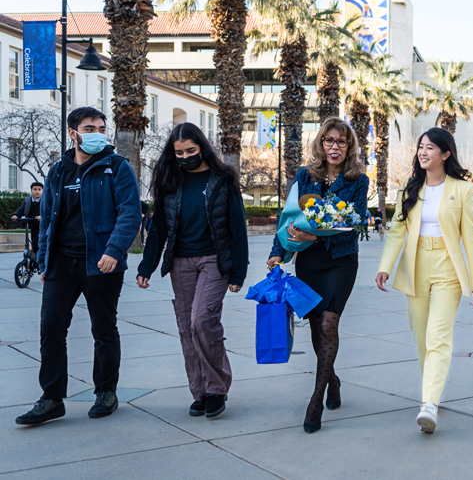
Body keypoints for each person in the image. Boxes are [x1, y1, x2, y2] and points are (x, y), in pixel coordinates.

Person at [16, 107, 141, 426]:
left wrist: (114, 249)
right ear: (73, 133)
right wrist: (43, 260)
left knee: (103, 328)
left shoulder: (117, 167)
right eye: (90, 128)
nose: (98, 133)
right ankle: (52, 398)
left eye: (101, 127)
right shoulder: (58, 171)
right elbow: (47, 221)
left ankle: (106, 392)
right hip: (61, 264)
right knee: (51, 328)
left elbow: (130, 213)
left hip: (101, 263)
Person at [376, 127, 473, 434]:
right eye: (420, 147)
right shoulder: (409, 188)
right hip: (415, 266)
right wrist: (386, 265)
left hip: (448, 269)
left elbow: (470, 239)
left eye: (430, 148)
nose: (423, 152)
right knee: (422, 338)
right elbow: (398, 231)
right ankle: (431, 394)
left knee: (438, 337)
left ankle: (429, 404)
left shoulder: (462, 189)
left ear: (445, 153)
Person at [136, 123, 248, 420]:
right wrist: (147, 266)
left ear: (202, 148)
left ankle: (216, 387)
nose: (185, 157)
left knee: (202, 321)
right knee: (186, 328)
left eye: (190, 151)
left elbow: (237, 227)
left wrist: (238, 272)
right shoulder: (169, 180)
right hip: (180, 262)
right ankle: (198, 391)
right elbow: (158, 227)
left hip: (214, 260)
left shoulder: (223, 179)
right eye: (179, 153)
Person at [267, 118, 369, 434]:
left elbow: (356, 226)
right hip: (309, 263)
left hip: (340, 260)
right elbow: (288, 216)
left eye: (341, 141)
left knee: (328, 322)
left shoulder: (358, 180)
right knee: (316, 327)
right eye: (329, 140)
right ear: (321, 144)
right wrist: (278, 251)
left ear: (349, 146)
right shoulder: (304, 175)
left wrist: (316, 237)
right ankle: (332, 379)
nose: (335, 147)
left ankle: (316, 397)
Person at [12, 181, 43, 259]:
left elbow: (49, 211)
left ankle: (40, 259)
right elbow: (22, 209)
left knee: (38, 242)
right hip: (33, 225)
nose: (37, 191)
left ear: (43, 191)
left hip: (43, 226)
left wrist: (42, 216)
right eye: (35, 189)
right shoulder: (28, 200)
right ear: (31, 191)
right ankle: (34, 259)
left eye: (39, 189)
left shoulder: (45, 200)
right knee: (32, 243)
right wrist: (15, 215)